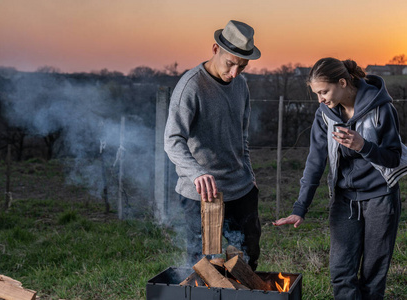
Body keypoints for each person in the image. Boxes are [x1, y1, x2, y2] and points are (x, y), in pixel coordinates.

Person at [273, 57, 405, 299]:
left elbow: (394, 158)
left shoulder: (381, 109)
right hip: (344, 200)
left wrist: (363, 145)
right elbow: (315, 162)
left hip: (381, 199)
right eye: (316, 94)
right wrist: (300, 208)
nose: (320, 99)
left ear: (342, 82)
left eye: (323, 91)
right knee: (341, 272)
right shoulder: (325, 116)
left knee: (373, 277)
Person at [164, 20, 262, 270]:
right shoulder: (191, 86)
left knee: (247, 258)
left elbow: (241, 135)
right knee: (201, 265)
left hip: (241, 189)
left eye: (243, 66)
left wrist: (249, 175)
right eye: (231, 63)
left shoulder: (240, 84)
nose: (235, 73)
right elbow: (172, 140)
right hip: (200, 194)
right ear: (215, 49)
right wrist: (197, 173)